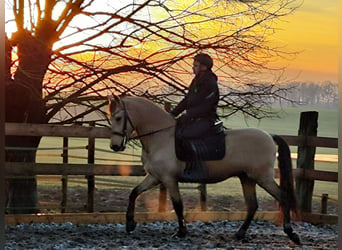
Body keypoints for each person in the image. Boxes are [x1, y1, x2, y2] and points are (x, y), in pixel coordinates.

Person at [170, 53, 219, 140]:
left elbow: (206, 106)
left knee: (184, 135)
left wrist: (188, 114)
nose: (193, 68)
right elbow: (187, 99)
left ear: (204, 67)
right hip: (192, 119)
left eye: (196, 66)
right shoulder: (196, 81)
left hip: (205, 120)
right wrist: (173, 114)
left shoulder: (211, 83)